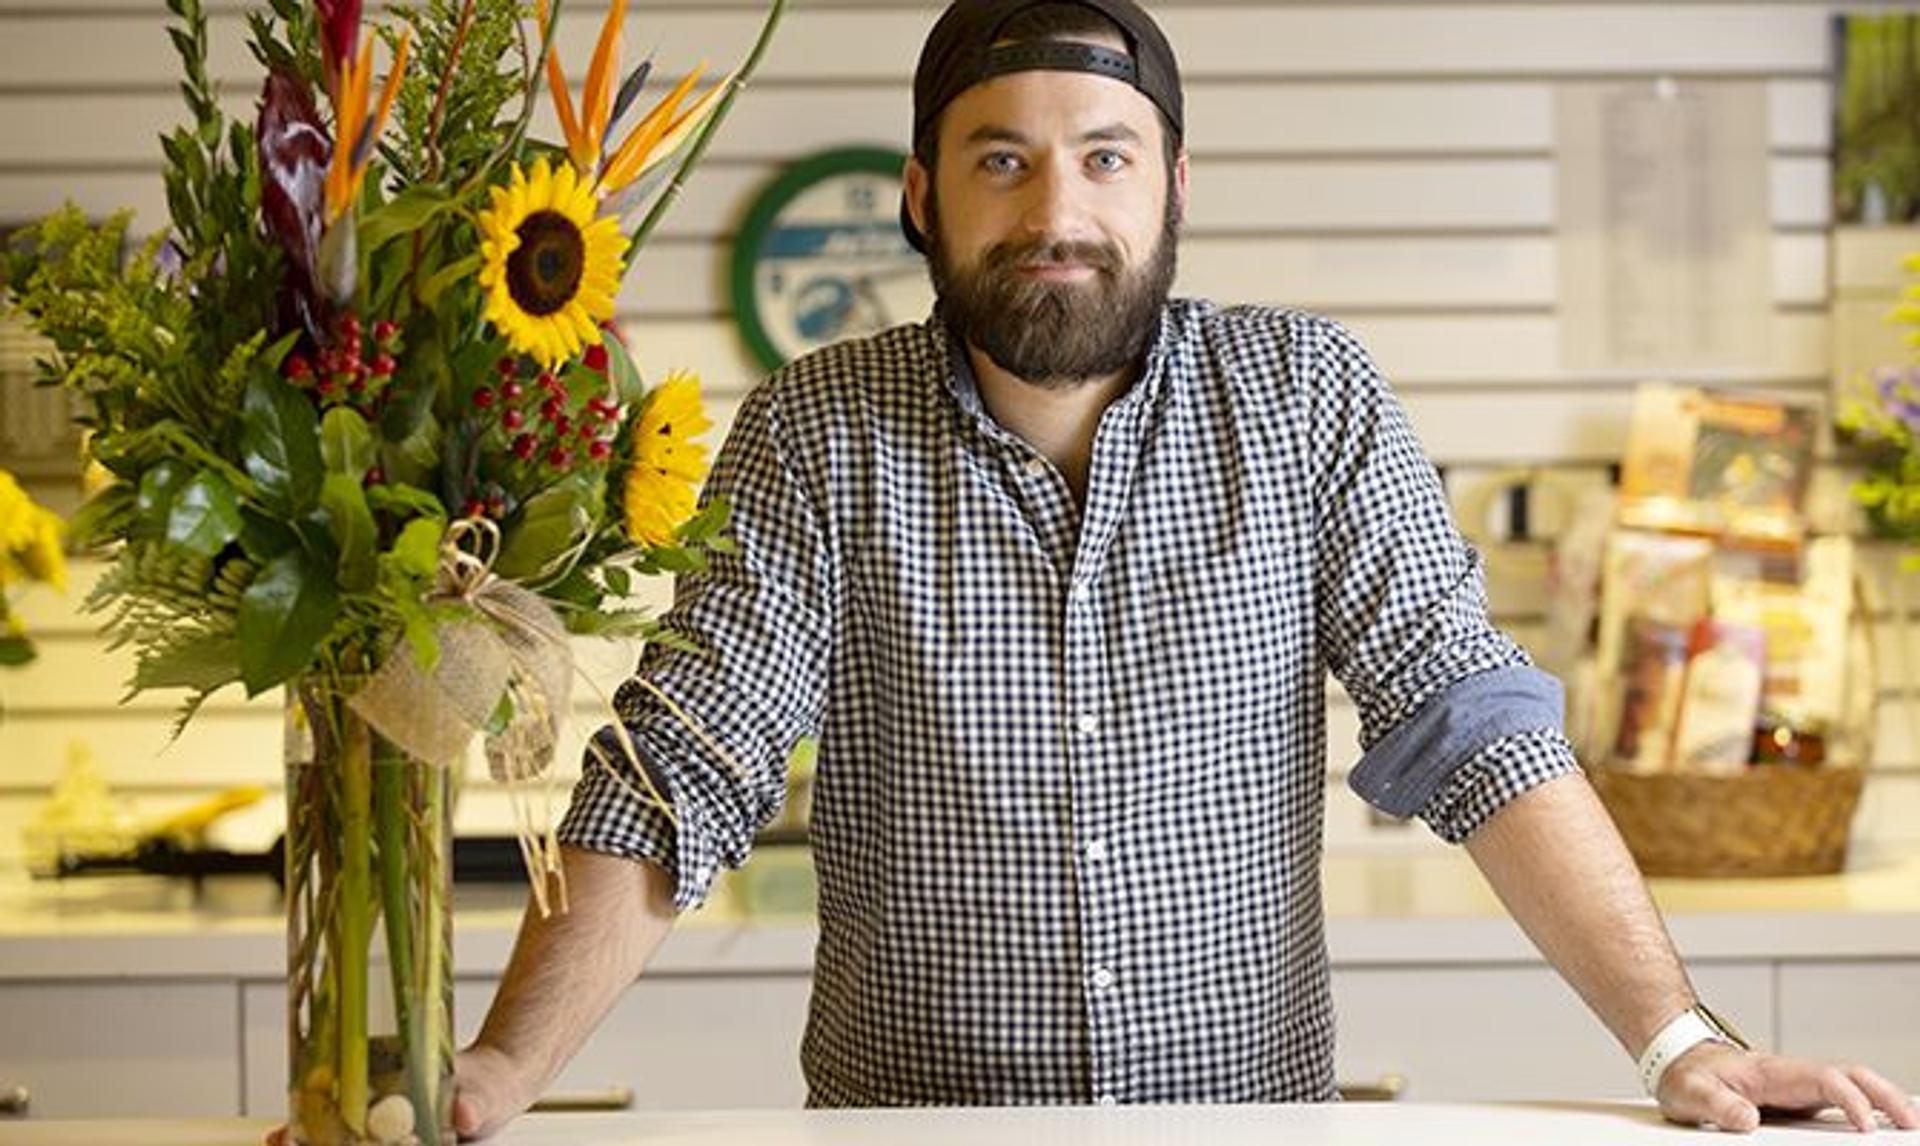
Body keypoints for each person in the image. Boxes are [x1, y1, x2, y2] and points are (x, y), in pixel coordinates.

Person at [452, 0, 1920, 1137]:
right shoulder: (815, 428)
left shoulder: (1310, 399)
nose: (1057, 215)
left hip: (1247, 1129)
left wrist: (1681, 1041)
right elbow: (685, 769)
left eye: (1106, 157)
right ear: (922, 195)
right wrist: (507, 1067)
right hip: (915, 1133)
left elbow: (1474, 727)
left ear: (1175, 185)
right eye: (1002, 161)